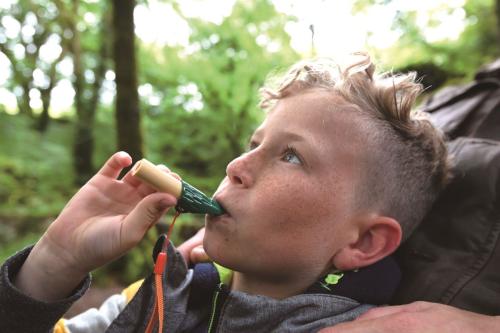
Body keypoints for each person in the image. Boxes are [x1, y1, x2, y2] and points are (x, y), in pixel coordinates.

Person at [1, 52, 450, 332]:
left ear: (363, 241)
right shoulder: (155, 297)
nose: (236, 167)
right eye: (254, 145)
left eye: (291, 156)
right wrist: (55, 262)